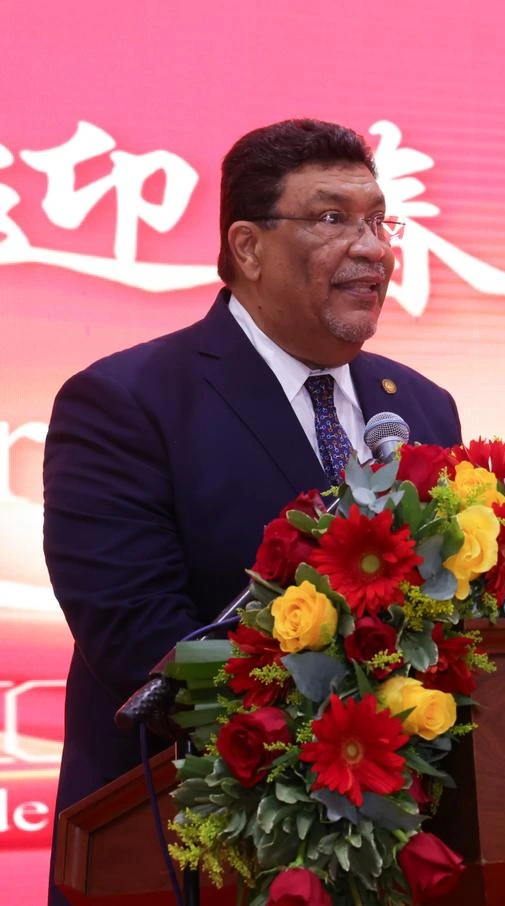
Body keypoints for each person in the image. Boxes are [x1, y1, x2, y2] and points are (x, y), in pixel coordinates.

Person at [43, 119, 462, 905]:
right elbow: (138, 640)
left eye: (379, 221)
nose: (373, 249)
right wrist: (336, 742)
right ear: (247, 247)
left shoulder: (423, 408)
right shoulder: (127, 403)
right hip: (188, 851)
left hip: (398, 851)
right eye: (333, 218)